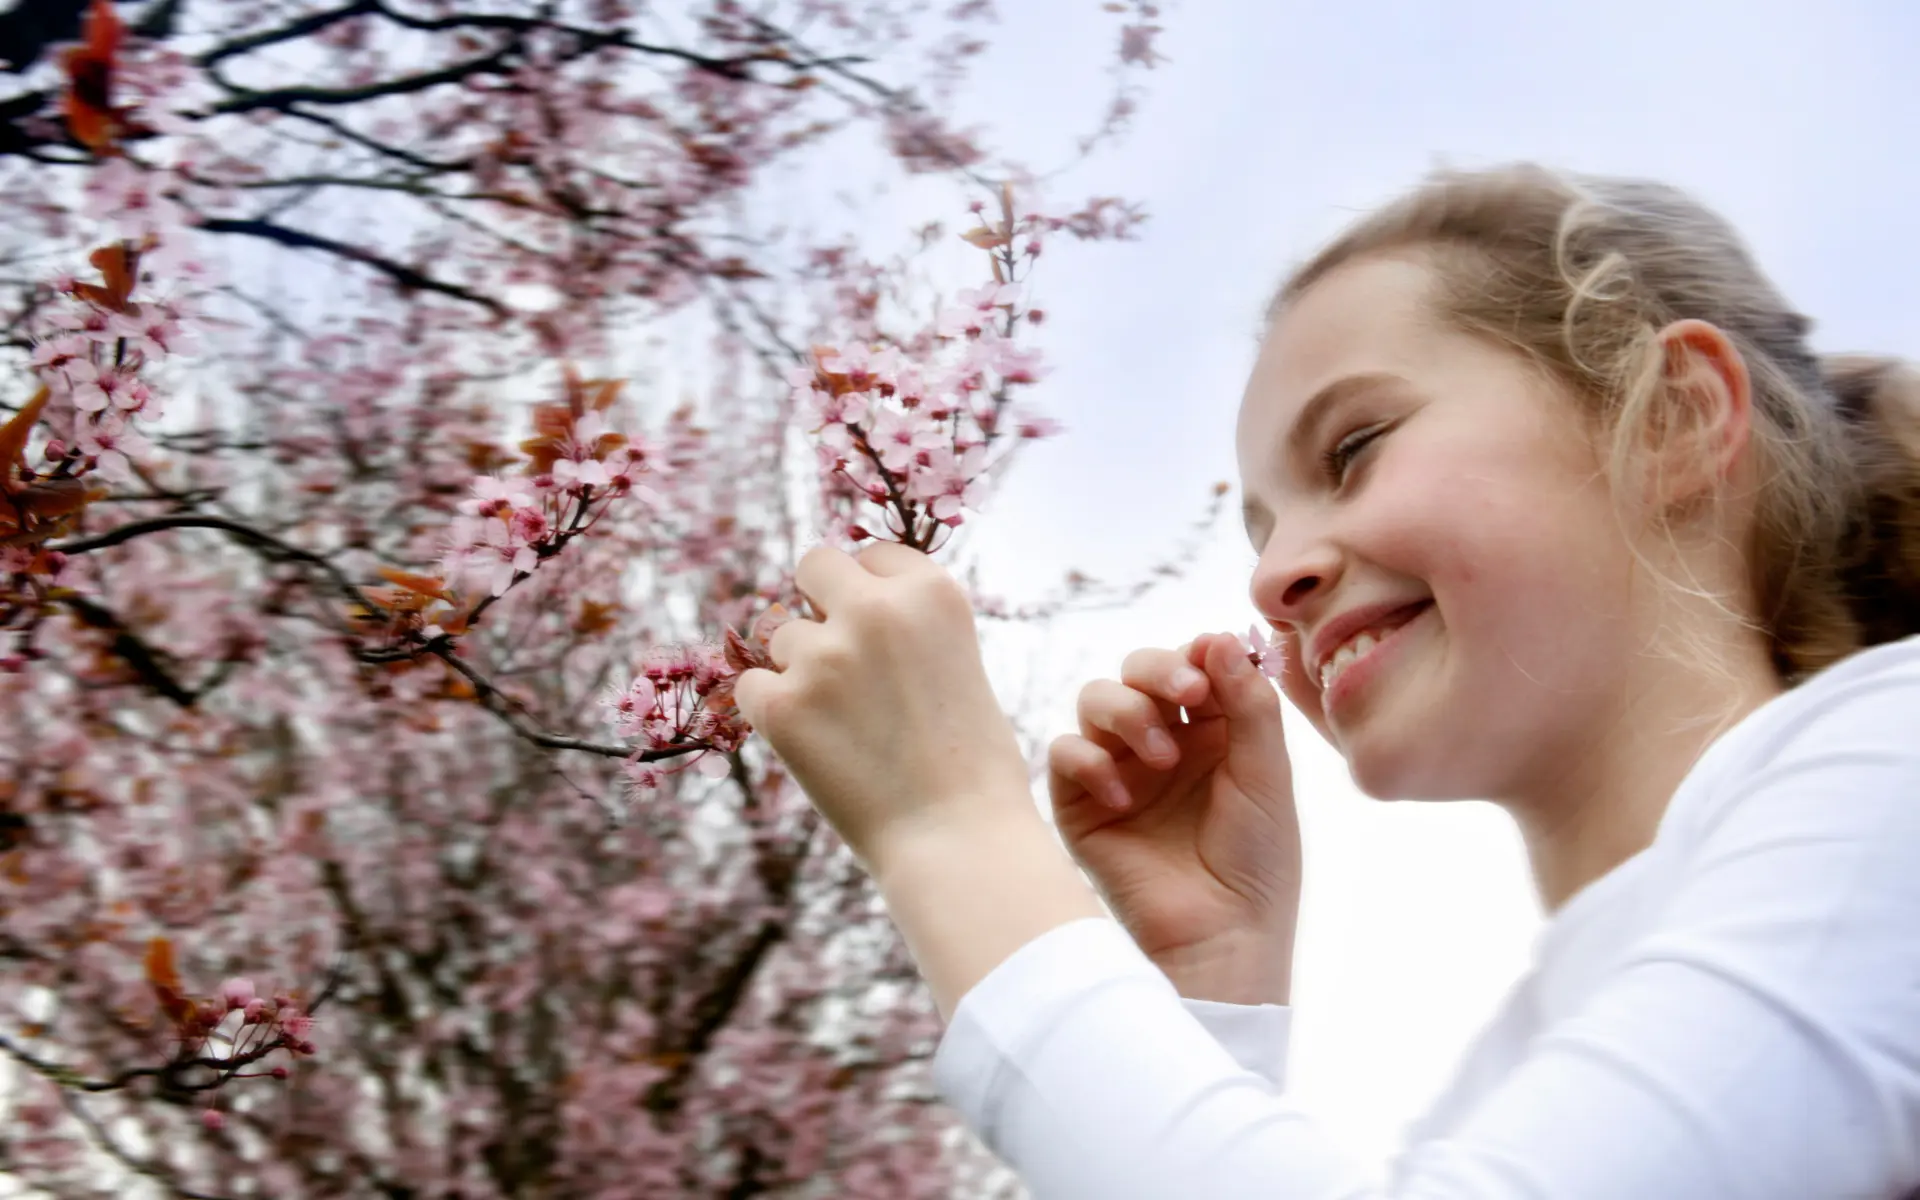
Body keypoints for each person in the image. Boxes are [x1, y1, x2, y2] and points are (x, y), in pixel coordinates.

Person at [730, 162, 1920, 1198]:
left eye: (1352, 449)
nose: (1277, 576)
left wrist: (951, 830)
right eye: (1257, 533)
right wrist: (1214, 998)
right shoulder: (1538, 1057)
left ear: (1670, 416)